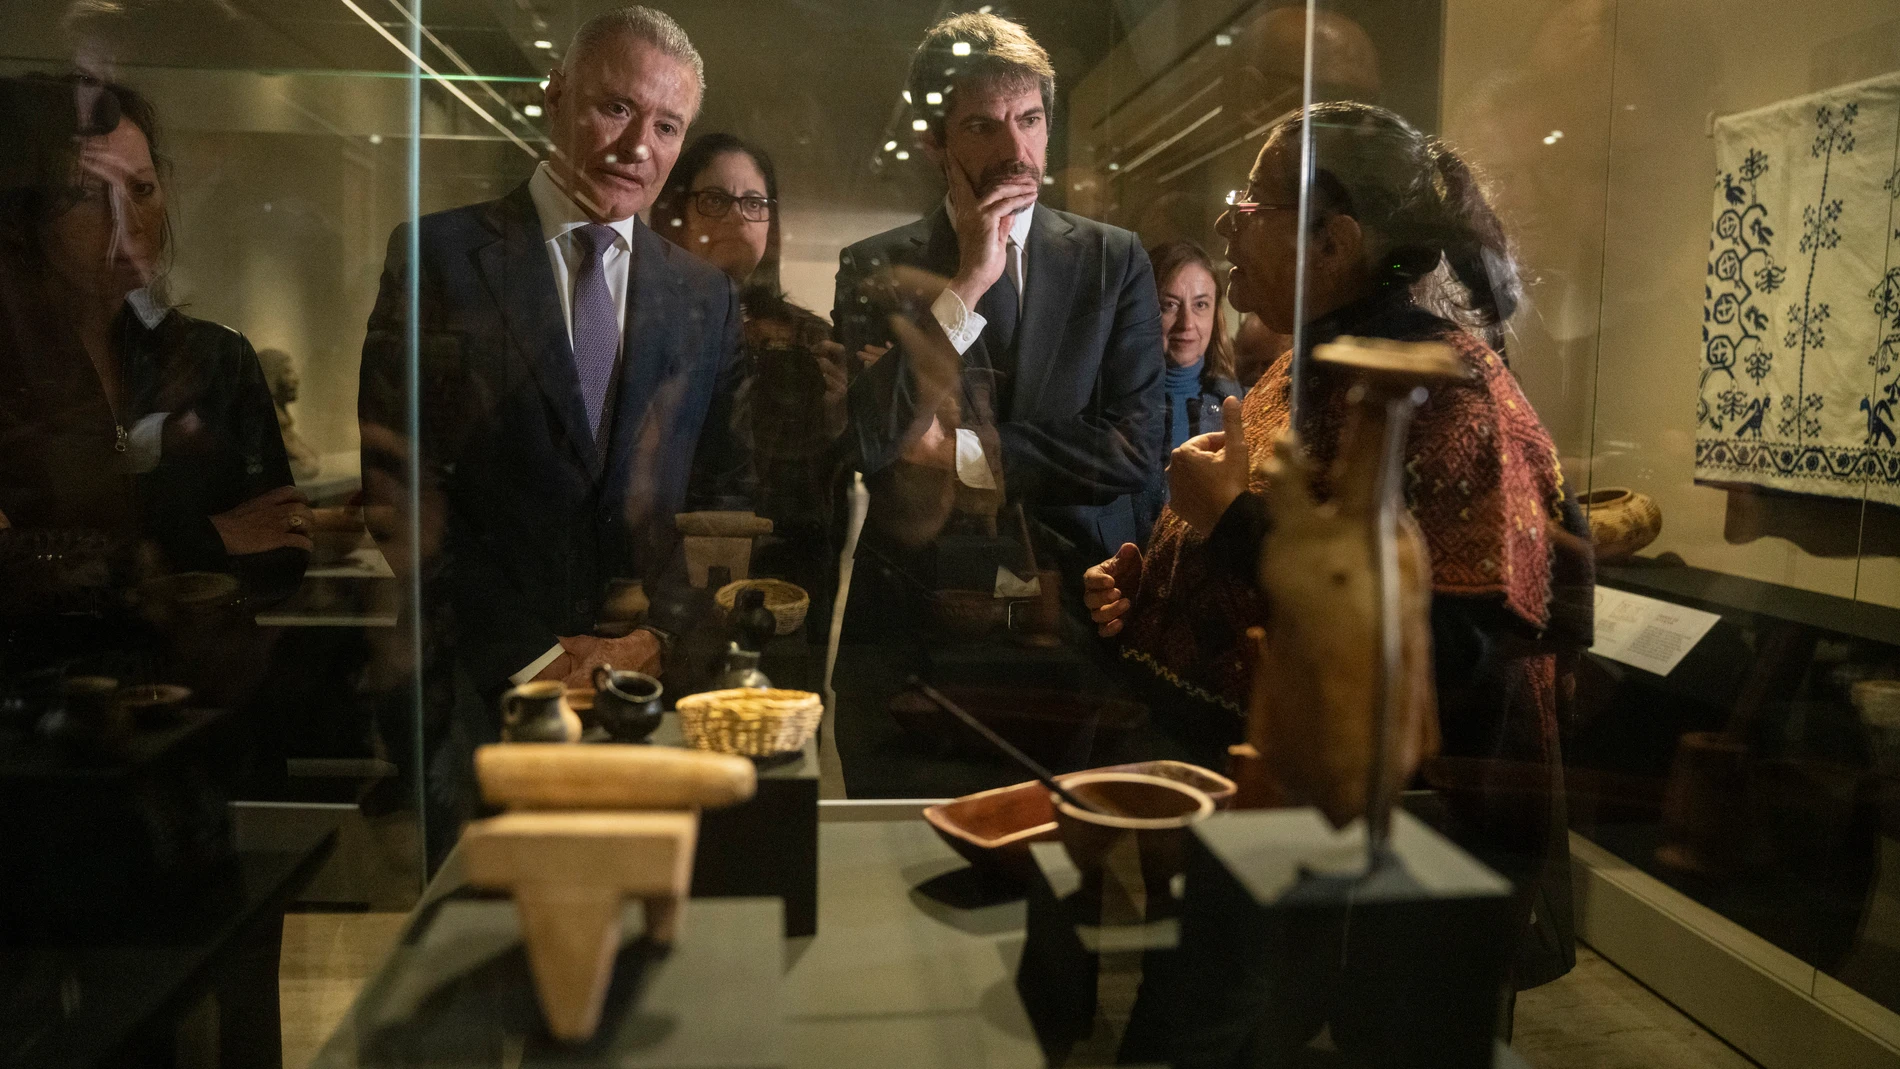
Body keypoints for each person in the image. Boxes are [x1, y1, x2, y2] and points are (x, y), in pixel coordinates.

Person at [1084, 102, 1594, 1031]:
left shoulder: (1453, 400)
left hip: (1373, 875)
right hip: (1264, 832)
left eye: (1253, 202)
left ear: (1335, 240)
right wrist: (1151, 585)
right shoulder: (1306, 363)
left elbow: (1447, 654)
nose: (1228, 222)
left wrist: (1233, 522)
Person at [356, 6, 747, 852]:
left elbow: (720, 497)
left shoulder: (703, 296)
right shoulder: (437, 259)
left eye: (667, 124)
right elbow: (401, 491)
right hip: (484, 699)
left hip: (650, 696)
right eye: (615, 107)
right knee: (488, 951)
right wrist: (537, 658)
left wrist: (661, 634)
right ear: (553, 97)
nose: (639, 144)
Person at [834, 11, 1163, 574]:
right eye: (984, 127)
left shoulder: (1114, 257)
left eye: (1030, 120)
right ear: (936, 142)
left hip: (1084, 578)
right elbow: (873, 440)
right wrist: (970, 281)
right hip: (933, 582)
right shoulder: (877, 265)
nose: (1017, 150)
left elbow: (1133, 453)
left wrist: (956, 452)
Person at [0, 74, 310, 608]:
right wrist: (209, 539)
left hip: (197, 682)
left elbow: (283, 550)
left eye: (141, 190)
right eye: (86, 195)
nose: (127, 223)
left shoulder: (218, 359)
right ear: (24, 214)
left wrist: (100, 557)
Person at [652, 131, 781, 291]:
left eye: (753, 204)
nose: (737, 217)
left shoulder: (789, 318)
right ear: (679, 214)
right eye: (715, 201)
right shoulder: (632, 312)